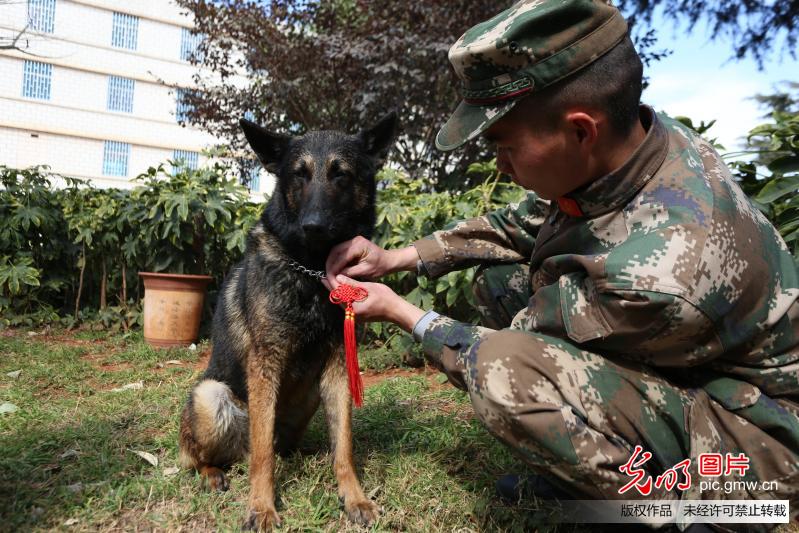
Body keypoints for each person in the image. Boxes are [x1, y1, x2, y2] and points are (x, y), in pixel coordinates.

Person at [325, 0, 799, 517]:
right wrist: (393, 258)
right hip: (696, 364)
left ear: (580, 130)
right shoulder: (633, 146)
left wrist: (401, 312)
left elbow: (499, 352)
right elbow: (515, 226)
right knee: (499, 283)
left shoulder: (663, 271)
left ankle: (687, 514)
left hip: (755, 438)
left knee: (502, 374)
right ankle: (599, 455)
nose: (498, 164)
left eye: (504, 145)